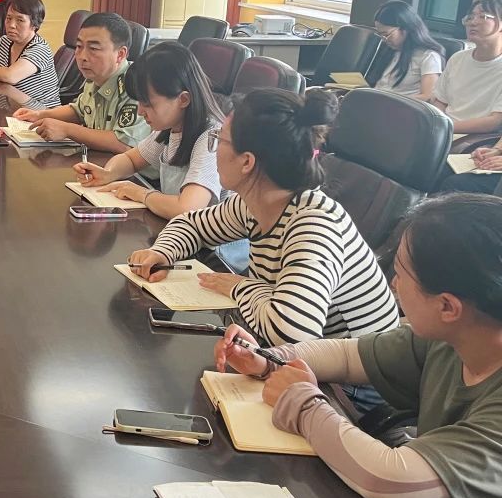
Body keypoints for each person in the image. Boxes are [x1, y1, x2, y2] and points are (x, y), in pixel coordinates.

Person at [213, 193, 502, 498]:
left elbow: (386, 477)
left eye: (401, 274)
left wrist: (303, 402)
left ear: (448, 307)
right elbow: (348, 356)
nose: (393, 284)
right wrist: (269, 359)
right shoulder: (451, 337)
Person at [128, 88, 400, 348]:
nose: (215, 149)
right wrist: (163, 253)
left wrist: (242, 287)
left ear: (247, 162)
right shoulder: (256, 202)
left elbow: (292, 333)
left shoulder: (314, 225)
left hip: (352, 376)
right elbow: (191, 224)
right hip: (293, 357)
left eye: (220, 140)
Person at [72, 41, 222, 218]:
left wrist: (141, 194)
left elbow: (187, 208)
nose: (140, 111)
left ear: (183, 100)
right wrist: (108, 173)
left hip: (208, 235)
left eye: (148, 104)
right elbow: (131, 159)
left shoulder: (211, 139)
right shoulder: (171, 128)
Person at [13, 12, 151, 152]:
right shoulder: (95, 77)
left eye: (93, 49)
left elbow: (124, 143)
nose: (82, 56)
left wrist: (68, 130)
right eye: (79, 46)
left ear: (120, 54)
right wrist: (40, 114)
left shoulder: (136, 85)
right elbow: (79, 110)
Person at [431, 0, 502, 133]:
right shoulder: (457, 58)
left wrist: (446, 129)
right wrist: (438, 125)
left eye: (483, 16)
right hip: (442, 131)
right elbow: (440, 101)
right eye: (470, 17)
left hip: (473, 137)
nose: (472, 23)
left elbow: (495, 121)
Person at [370, 0, 444, 100]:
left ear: (405, 28)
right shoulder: (389, 51)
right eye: (380, 35)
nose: (384, 39)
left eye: (386, 34)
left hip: (401, 106)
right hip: (377, 102)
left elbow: (428, 96)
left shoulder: (428, 56)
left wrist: (392, 100)